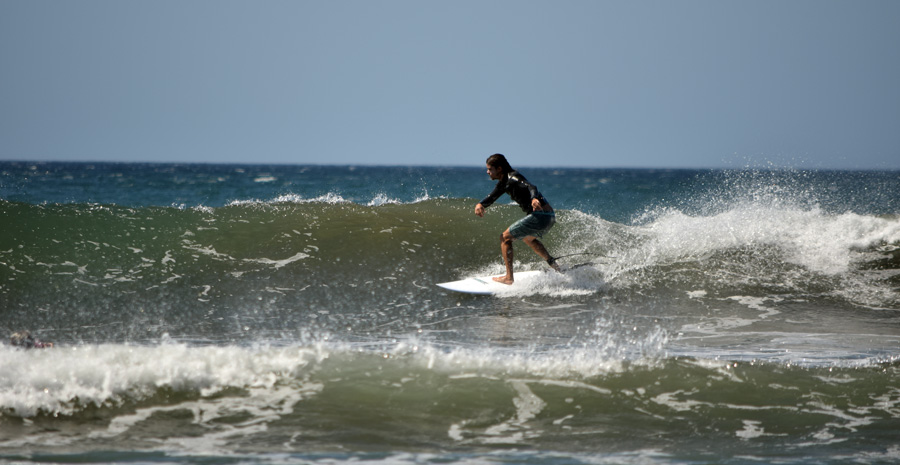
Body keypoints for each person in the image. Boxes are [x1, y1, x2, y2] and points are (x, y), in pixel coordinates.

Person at [474, 153, 560, 284]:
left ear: (499, 169)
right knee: (529, 239)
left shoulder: (514, 177)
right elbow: (492, 197)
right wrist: (481, 204)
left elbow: (531, 187)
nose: (487, 172)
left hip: (541, 215)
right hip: (548, 217)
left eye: (490, 169)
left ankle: (509, 277)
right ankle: (556, 267)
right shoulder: (503, 183)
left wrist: (534, 198)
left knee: (505, 238)